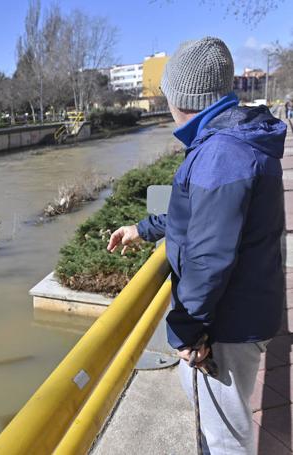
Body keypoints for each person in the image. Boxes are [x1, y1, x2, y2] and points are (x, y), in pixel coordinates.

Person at [107, 37, 286, 454]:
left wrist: (188, 330)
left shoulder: (221, 153)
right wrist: (144, 228)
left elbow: (209, 255)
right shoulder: (230, 140)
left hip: (230, 320)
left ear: (182, 96)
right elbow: (201, 216)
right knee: (202, 399)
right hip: (243, 306)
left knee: (225, 437)